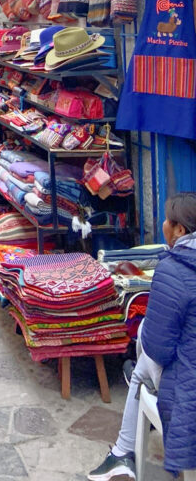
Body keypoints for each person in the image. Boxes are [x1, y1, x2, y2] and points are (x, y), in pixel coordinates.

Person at [87, 192, 196, 481]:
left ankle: (123, 452)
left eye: (167, 221)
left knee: (142, 365)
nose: (163, 224)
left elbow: (160, 350)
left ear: (180, 230)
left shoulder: (173, 269)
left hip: (189, 386)